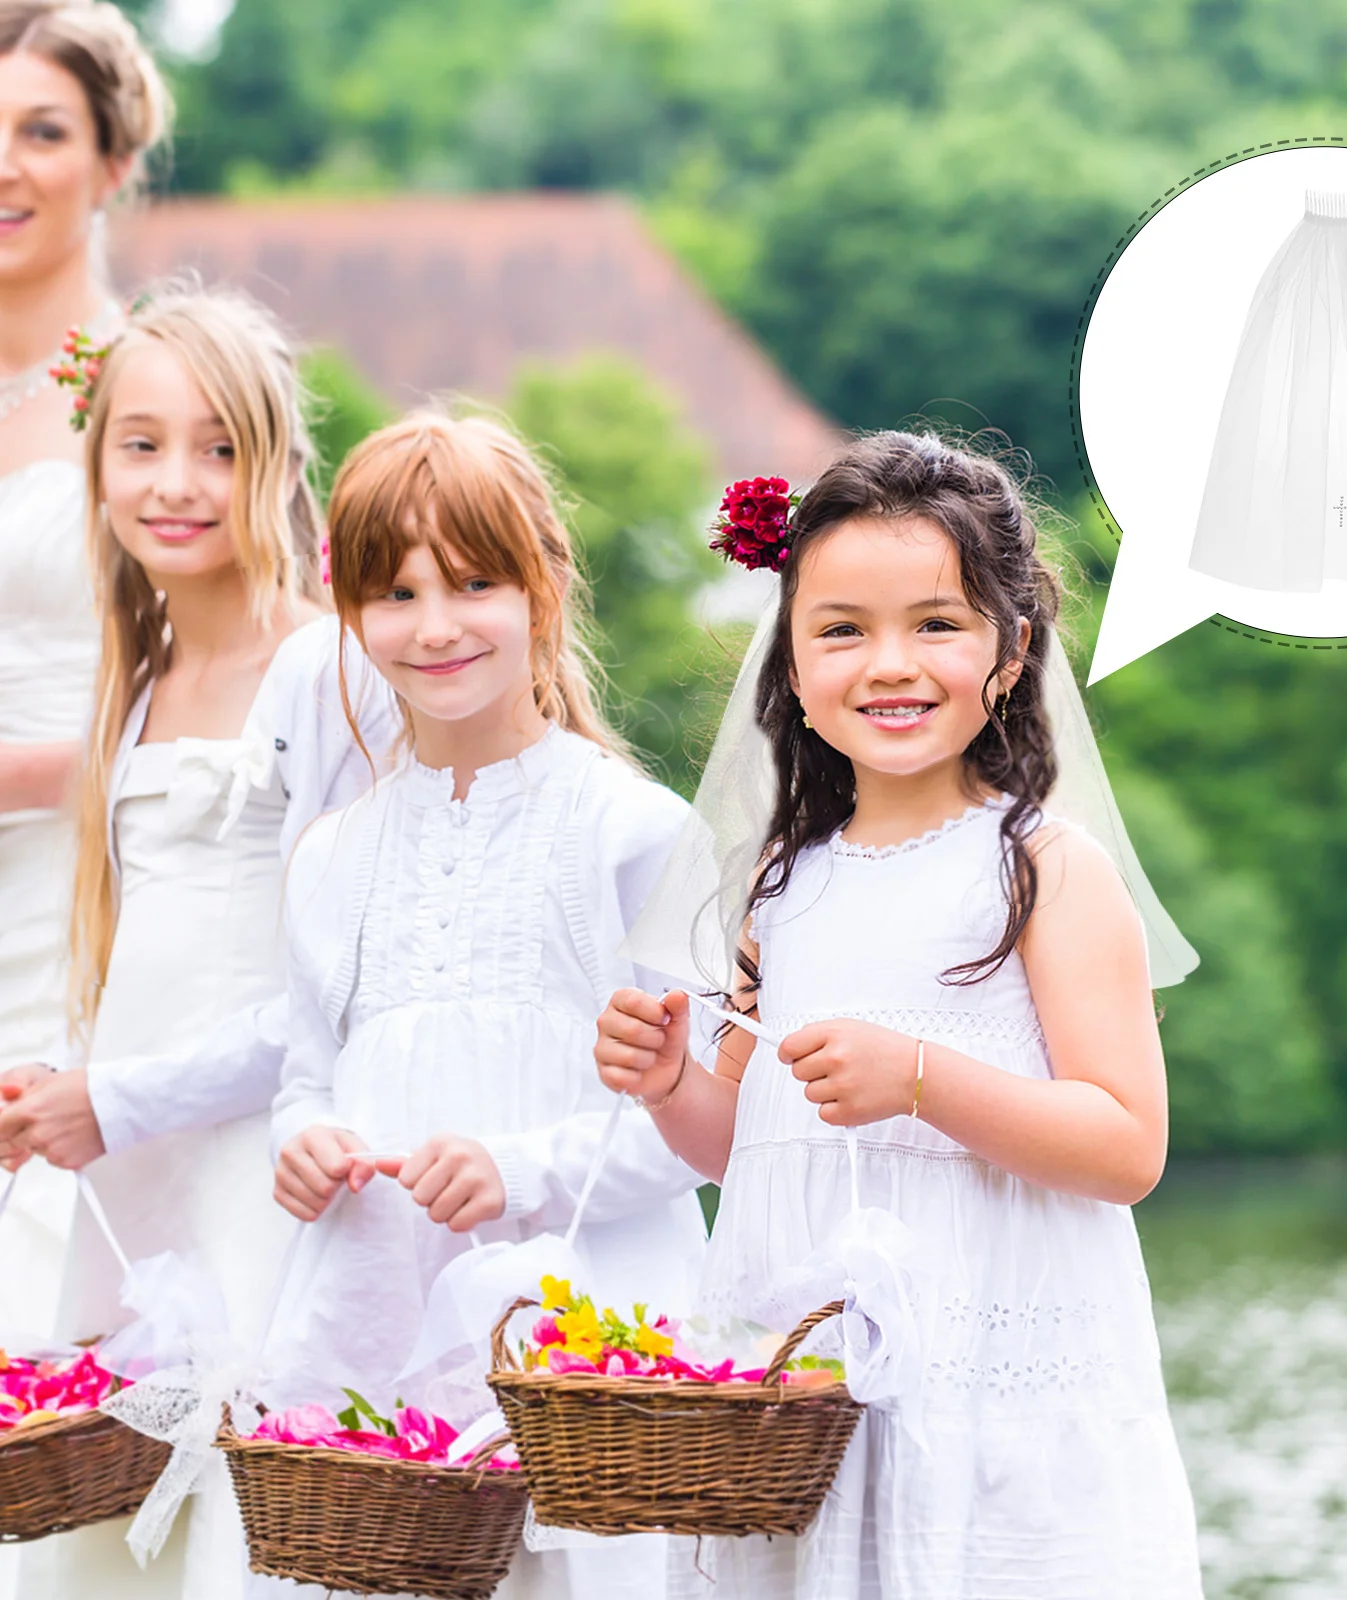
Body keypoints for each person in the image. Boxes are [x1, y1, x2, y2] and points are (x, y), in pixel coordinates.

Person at [597, 433, 1206, 1599]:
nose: (889, 663)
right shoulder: (778, 884)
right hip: (805, 1398)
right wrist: (673, 1080)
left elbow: (1126, 1145)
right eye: (842, 629)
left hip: (984, 1379)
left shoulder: (1040, 869)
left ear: (1011, 649)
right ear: (790, 658)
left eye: (935, 623)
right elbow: (746, 1145)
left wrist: (923, 1078)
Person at [266, 412, 706, 1599]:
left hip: (584, 1342)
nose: (435, 625)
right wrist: (297, 1143)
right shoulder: (327, 855)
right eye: (395, 592)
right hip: (379, 1329)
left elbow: (697, 1129)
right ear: (349, 613)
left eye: (473, 581)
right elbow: (308, 1072)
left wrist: (520, 1171)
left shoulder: (632, 831)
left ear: (545, 584)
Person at [3, 285, 395, 1599]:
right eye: (144, 444)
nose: (179, 482)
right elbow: (135, 943)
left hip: (253, 1162)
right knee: (111, 1527)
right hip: (131, 1167)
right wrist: (63, 1083)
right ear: (97, 460)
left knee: (244, 1505)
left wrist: (113, 1098)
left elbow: (342, 993)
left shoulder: (330, 671)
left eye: (221, 447)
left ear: (276, 464)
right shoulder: (143, 669)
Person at [0, 0, 167, 1351]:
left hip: (79, 890)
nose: (4, 165)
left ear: (114, 161)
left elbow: (228, 679)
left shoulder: (154, 391)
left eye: (40, 132)